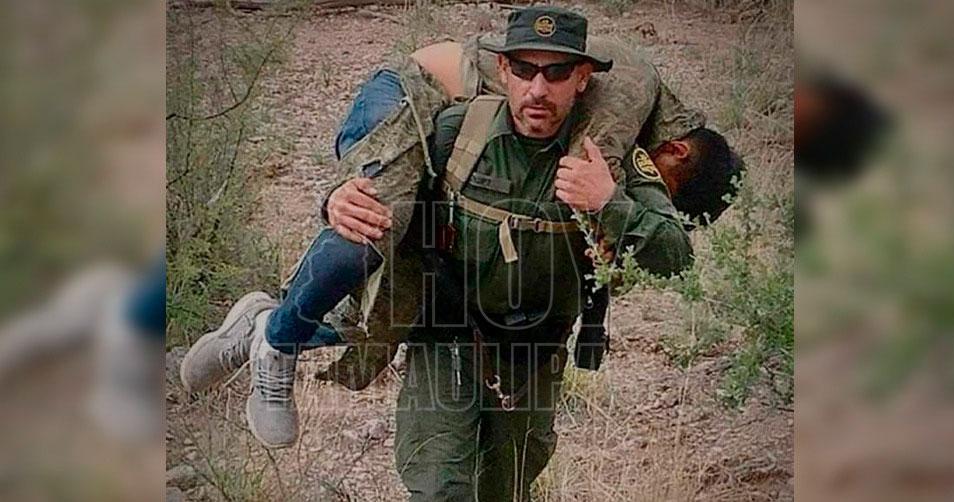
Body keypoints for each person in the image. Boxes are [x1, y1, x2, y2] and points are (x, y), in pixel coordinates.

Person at [179, 10, 742, 451]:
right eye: (666, 189)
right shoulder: (628, 93)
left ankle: (261, 323)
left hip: (447, 130)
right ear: (674, 150)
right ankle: (277, 346)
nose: (539, 86)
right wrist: (612, 208)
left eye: (555, 74)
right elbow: (587, 174)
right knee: (369, 224)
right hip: (404, 90)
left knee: (394, 301)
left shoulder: (627, 104)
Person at [328, 7, 694, 499]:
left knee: (507, 488)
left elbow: (676, 257)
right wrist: (334, 200)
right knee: (439, 489)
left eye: (556, 73)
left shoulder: (608, 158)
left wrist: (609, 202)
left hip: (534, 355)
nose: (538, 89)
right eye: (524, 70)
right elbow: (377, 186)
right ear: (502, 71)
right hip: (447, 339)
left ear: (582, 78)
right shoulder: (457, 132)